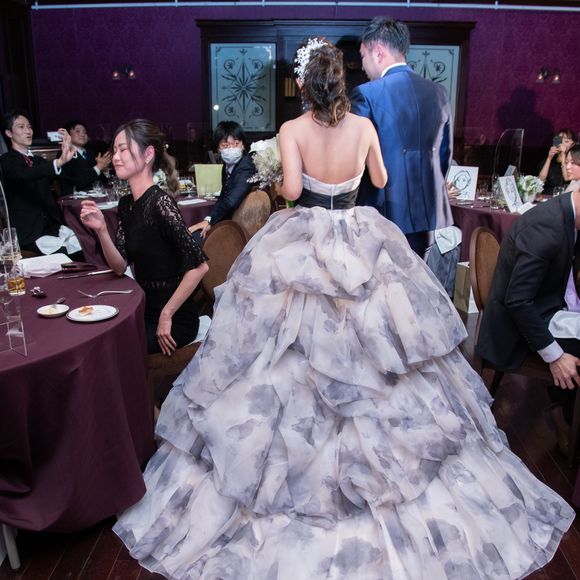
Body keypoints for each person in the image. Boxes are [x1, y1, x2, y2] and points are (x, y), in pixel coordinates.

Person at [112, 40, 573, 579]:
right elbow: (380, 181)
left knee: (286, 351)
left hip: (305, 235)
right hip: (357, 233)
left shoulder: (292, 129)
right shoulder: (364, 126)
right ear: (342, 84)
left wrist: (287, 178)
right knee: (378, 346)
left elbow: (290, 189)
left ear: (306, 87)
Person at [478, 145, 580, 455]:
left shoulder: (570, 216)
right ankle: (564, 414)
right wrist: (555, 356)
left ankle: (562, 405)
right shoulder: (546, 226)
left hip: (546, 306)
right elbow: (517, 301)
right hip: (512, 329)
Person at [80, 119, 208, 355]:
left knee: (113, 348)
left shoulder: (160, 203)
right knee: (97, 336)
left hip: (175, 318)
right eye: (114, 150)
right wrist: (101, 230)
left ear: (148, 154)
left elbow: (200, 267)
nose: (115, 157)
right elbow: (119, 266)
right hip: (144, 309)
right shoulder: (126, 204)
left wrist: (166, 315)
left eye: (123, 149)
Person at [351, 17, 453, 258]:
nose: (363, 66)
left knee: (378, 280)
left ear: (378, 52)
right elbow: (444, 155)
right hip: (426, 215)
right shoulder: (439, 92)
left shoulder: (367, 94)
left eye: (363, 56)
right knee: (417, 278)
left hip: (380, 212)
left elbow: (354, 157)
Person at [0, 110, 74, 253]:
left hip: (51, 228)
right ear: (9, 133)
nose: (28, 131)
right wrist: (58, 162)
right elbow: (26, 174)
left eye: (29, 127)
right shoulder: (6, 161)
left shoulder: (38, 161)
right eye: (21, 127)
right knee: (65, 254)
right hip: (28, 232)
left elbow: (65, 176)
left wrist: (69, 150)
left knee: (85, 245)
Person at [189, 121, 255, 240]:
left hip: (238, 226)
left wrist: (209, 221)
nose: (231, 149)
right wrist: (208, 219)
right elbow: (223, 197)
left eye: (236, 144)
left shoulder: (246, 166)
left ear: (243, 145)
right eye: (225, 145)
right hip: (227, 219)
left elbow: (231, 201)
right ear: (218, 148)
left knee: (194, 237)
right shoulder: (227, 166)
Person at [59, 120, 112, 196]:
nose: (82, 134)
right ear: (68, 136)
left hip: (96, 195)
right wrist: (98, 167)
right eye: (78, 131)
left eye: (85, 132)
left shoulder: (91, 153)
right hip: (74, 198)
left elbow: (102, 181)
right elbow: (77, 182)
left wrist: (105, 170)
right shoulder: (64, 154)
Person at [538, 128, 575, 195]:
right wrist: (549, 158)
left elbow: (567, 178)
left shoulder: (574, 162)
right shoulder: (549, 160)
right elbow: (540, 180)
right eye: (559, 140)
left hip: (565, 196)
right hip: (547, 195)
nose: (561, 144)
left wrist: (563, 155)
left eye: (566, 141)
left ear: (572, 144)